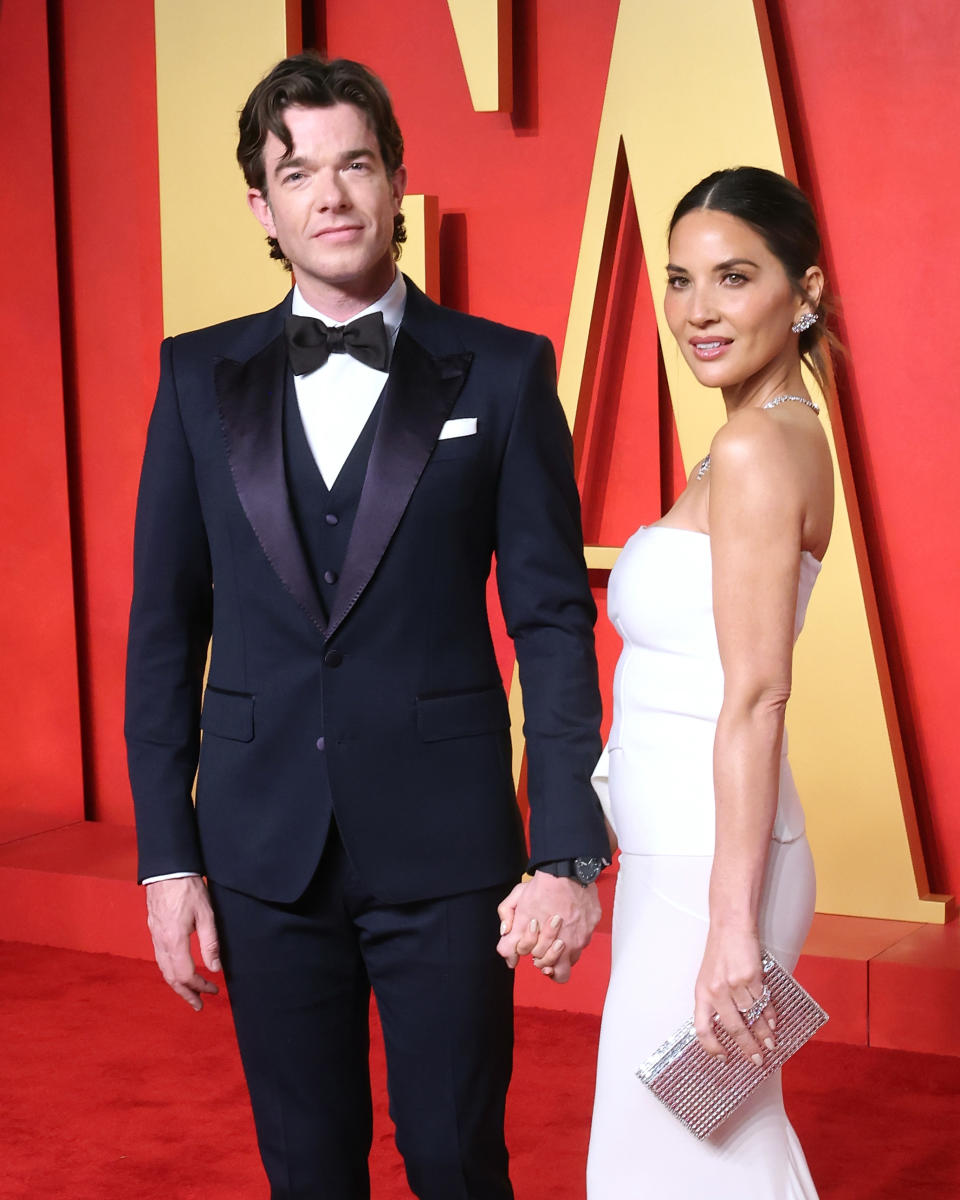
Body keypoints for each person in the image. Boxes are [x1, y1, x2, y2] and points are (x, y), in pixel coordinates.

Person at [124, 52, 610, 1200]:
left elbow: (549, 618)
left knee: (455, 1160)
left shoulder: (500, 370)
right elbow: (163, 628)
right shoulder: (197, 377)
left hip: (449, 856)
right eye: (299, 174)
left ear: (398, 179)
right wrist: (164, 856)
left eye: (355, 163)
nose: (330, 195)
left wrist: (565, 845)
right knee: (306, 1169)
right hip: (259, 849)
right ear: (264, 206)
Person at [585, 166, 834, 1196]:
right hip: (690, 861)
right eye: (681, 280)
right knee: (705, 1152)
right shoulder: (767, 433)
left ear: (804, 292)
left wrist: (731, 927)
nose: (699, 310)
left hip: (711, 874)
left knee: (677, 1159)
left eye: (734, 277)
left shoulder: (754, 448)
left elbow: (758, 695)